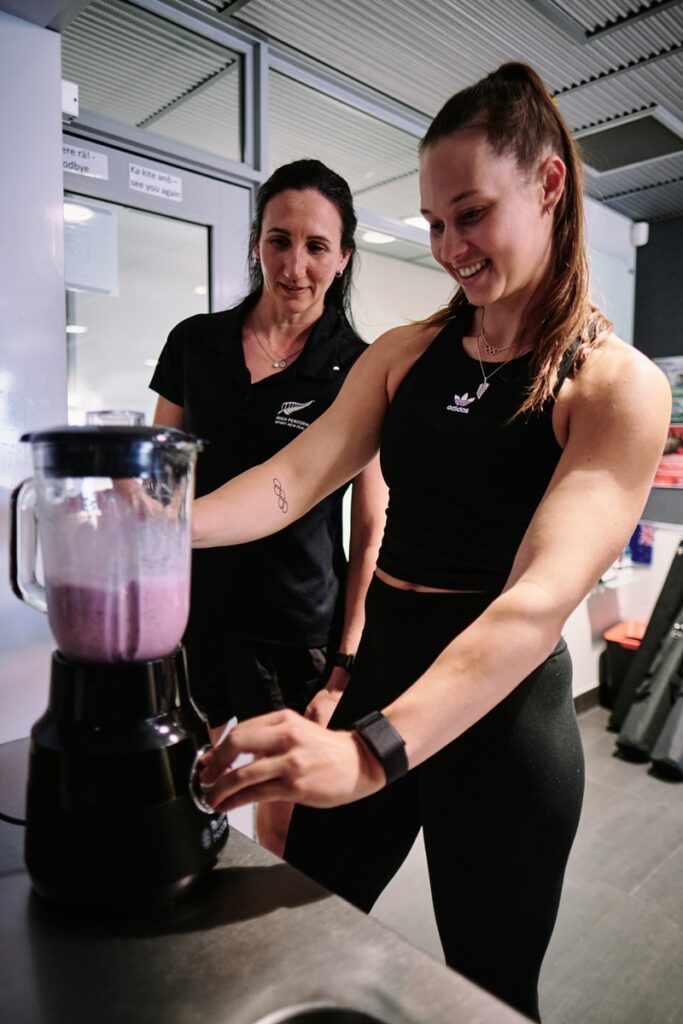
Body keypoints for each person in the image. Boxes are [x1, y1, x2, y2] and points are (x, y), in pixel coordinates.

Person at [193, 64, 670, 1021]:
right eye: (432, 222)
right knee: (305, 932)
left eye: (470, 214)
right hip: (385, 676)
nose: (449, 246)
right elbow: (292, 480)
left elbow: (536, 601)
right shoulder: (405, 353)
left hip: (502, 725)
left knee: (489, 994)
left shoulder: (613, 386)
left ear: (546, 186)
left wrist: (366, 755)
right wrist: (159, 528)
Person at [150, 159, 387, 856]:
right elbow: (159, 485)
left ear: (342, 258)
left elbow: (371, 528)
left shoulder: (359, 367)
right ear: (256, 242)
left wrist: (344, 663)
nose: (294, 264)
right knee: (183, 781)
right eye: (279, 240)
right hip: (189, 618)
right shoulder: (195, 343)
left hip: (294, 632)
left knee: (280, 819)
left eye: (316, 246)